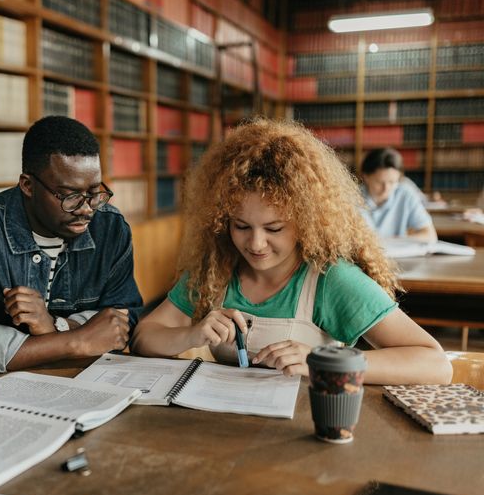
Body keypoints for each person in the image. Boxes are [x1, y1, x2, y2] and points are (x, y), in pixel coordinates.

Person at [131, 119, 451, 385]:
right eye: (241, 226)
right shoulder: (217, 268)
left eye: (274, 229)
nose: (255, 244)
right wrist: (191, 334)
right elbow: (144, 336)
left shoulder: (331, 280)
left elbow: (435, 363)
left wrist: (323, 362)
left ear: (306, 222)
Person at [0, 116, 143, 373]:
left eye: (95, 192)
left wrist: (55, 325)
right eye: (70, 196)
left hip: (86, 380)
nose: (86, 209)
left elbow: (125, 321)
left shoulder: (111, 228)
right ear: (27, 185)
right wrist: (76, 341)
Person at [359, 147, 437, 241]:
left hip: (398, 253)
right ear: (366, 177)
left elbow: (430, 235)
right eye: (379, 182)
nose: (386, 189)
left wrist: (397, 241)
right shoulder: (352, 197)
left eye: (392, 182)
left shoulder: (405, 194)